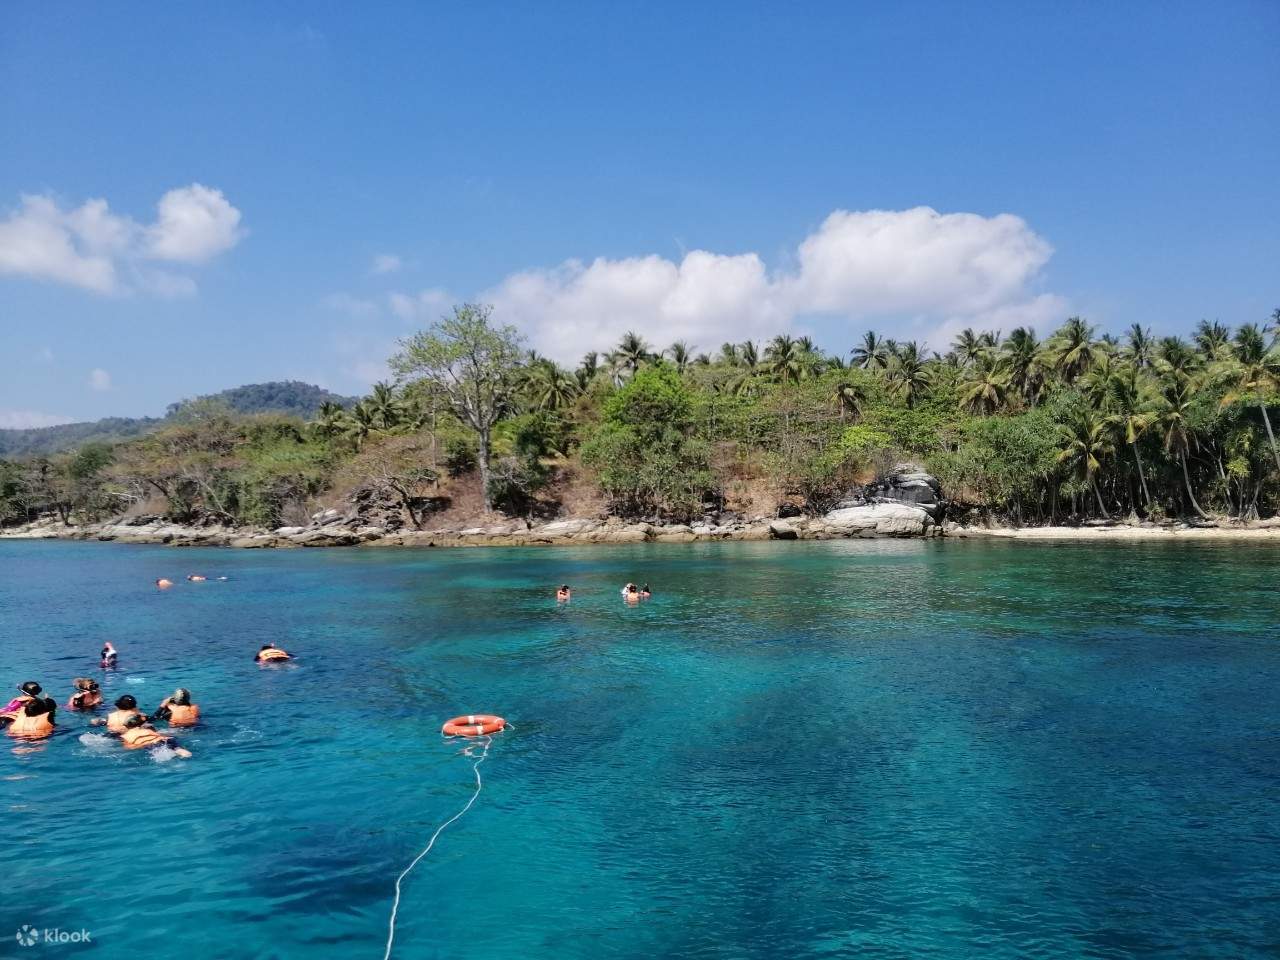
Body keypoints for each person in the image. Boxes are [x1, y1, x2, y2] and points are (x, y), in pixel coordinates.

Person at [120, 713, 192, 758]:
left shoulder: (125, 736)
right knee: (175, 748)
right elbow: (158, 734)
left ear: (126, 726)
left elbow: (129, 747)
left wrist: (140, 746)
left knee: (164, 754)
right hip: (165, 739)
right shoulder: (146, 728)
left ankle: (178, 752)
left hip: (152, 744)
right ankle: (180, 750)